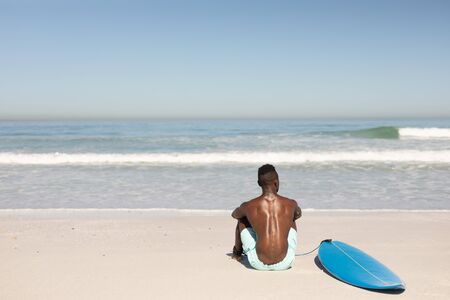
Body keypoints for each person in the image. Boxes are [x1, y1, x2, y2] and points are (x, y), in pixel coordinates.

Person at [231, 164, 301, 271]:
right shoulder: (290, 204)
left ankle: (237, 253)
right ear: (277, 182)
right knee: (290, 218)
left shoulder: (249, 206)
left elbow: (235, 214)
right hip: (286, 262)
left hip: (257, 263)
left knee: (242, 218)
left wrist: (247, 212)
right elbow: (298, 214)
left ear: (259, 183)